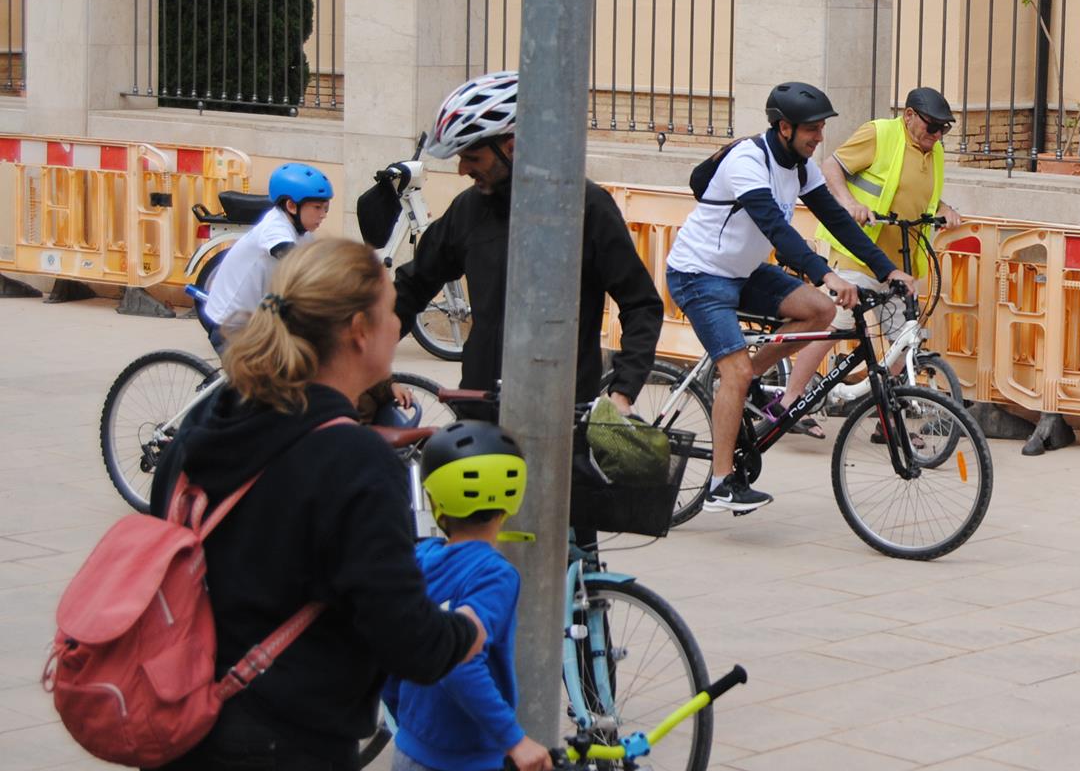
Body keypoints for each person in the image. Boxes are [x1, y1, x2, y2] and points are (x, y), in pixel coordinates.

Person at [140, 238, 488, 771]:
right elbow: (405, 636)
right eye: (390, 310)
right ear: (358, 329)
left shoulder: (212, 421)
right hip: (283, 764)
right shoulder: (352, 458)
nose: (399, 324)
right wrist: (468, 630)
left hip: (184, 736)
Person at [664, 81, 914, 512]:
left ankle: (747, 380)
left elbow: (838, 220)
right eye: (812, 129)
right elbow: (776, 230)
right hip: (699, 275)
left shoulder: (801, 167)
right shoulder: (747, 161)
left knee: (819, 310)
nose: (820, 137)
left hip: (743, 272)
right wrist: (826, 274)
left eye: (821, 127)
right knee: (736, 369)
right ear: (784, 128)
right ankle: (720, 483)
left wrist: (886, 269)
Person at [392, 70, 664, 413]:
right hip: (480, 413)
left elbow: (641, 305)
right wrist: (368, 360)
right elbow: (411, 286)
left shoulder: (587, 208)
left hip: (559, 419)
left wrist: (622, 392)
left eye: (472, 158)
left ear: (513, 148)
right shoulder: (468, 209)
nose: (462, 170)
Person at [383, 420, 552, 771]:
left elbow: (395, 649)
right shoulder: (496, 575)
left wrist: (405, 715)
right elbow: (461, 660)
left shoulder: (421, 558)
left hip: (409, 764)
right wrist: (514, 739)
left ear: (437, 502)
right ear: (512, 499)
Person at [776, 86, 962, 435]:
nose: (938, 135)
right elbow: (831, 166)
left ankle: (887, 420)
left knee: (903, 340)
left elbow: (917, 194)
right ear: (909, 116)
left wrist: (944, 207)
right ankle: (791, 401)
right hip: (856, 255)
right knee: (833, 327)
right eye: (932, 126)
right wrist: (849, 204)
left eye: (944, 129)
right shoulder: (880, 134)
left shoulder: (933, 150)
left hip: (898, 264)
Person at [198, 162, 334, 351]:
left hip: (260, 319)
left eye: (326, 208)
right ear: (291, 206)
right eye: (317, 207)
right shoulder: (274, 228)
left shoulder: (304, 233)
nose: (323, 215)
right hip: (231, 324)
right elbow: (291, 258)